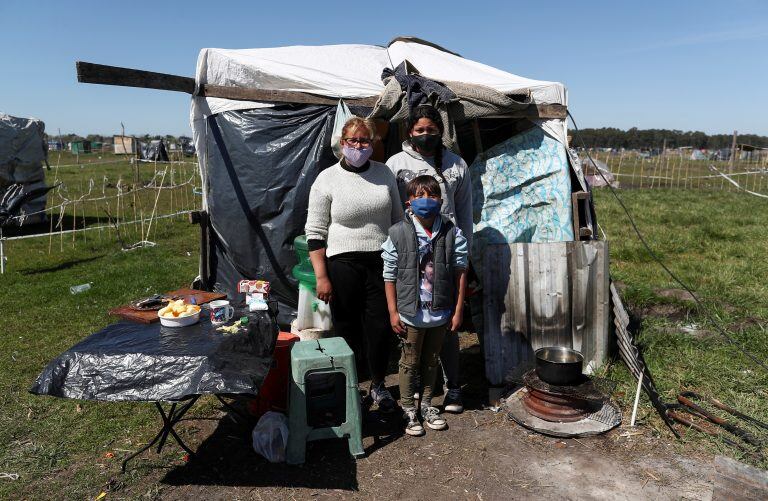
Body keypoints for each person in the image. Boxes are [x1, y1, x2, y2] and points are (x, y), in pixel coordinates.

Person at [305, 116, 403, 413]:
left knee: (381, 326)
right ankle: (352, 387)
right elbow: (315, 233)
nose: (358, 146)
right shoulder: (326, 179)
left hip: (381, 261)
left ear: (373, 144)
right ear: (342, 144)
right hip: (342, 263)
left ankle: (378, 385)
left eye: (364, 141)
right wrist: (321, 276)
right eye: (353, 141)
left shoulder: (384, 174)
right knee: (347, 327)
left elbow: (398, 219)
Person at [386, 105, 472, 413]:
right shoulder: (396, 163)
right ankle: (418, 391)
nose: (426, 135)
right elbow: (392, 209)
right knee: (413, 321)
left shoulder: (457, 164)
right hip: (411, 249)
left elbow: (465, 213)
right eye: (420, 130)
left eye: (431, 130)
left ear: (441, 131)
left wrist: (464, 253)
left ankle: (453, 387)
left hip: (447, 249)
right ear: (410, 131)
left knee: (445, 321)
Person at [381, 175, 468, 435]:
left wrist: (458, 309)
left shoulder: (452, 232)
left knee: (431, 360)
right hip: (410, 312)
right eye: (419, 195)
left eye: (432, 195)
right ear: (409, 201)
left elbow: (461, 271)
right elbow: (389, 274)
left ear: (441, 200)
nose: (426, 201)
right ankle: (409, 408)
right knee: (409, 361)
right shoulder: (398, 232)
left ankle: (428, 405)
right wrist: (393, 311)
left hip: (440, 311)